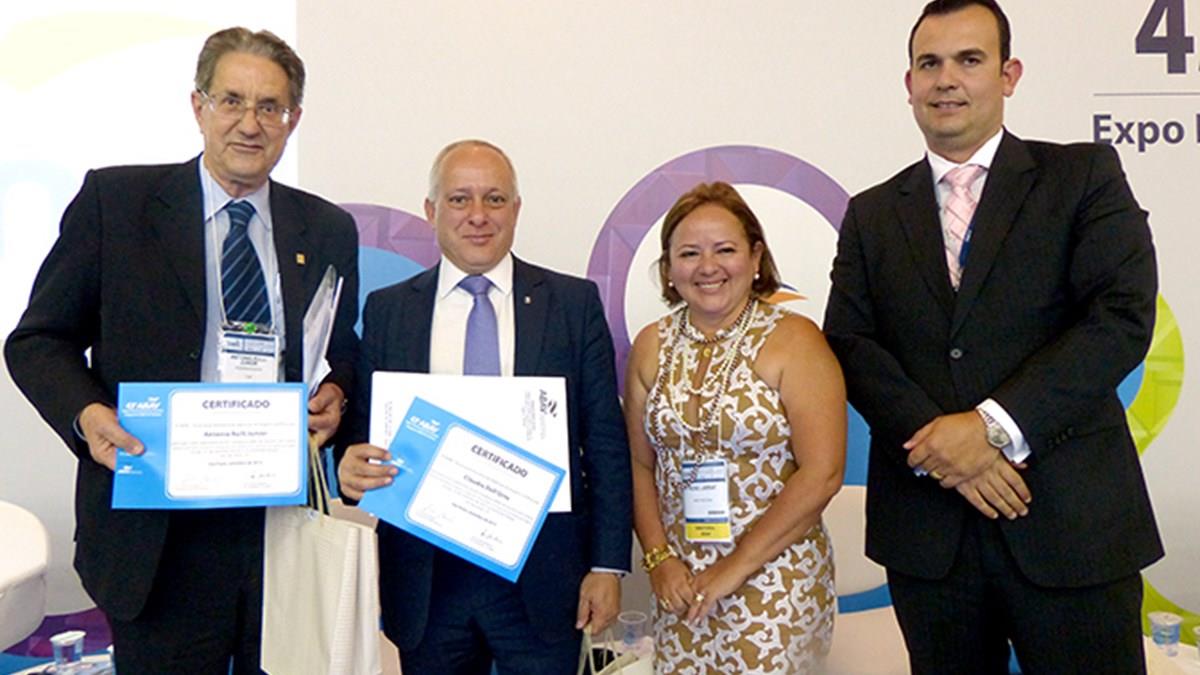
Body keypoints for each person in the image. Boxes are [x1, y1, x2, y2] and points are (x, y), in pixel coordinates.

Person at [4, 27, 359, 674]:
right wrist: (87, 416)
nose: (250, 123)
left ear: (293, 119)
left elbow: (339, 352)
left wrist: (336, 394)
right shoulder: (116, 204)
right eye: (232, 101)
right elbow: (38, 340)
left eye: (270, 107)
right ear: (198, 106)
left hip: (278, 530)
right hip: (158, 538)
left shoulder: (327, 228)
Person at [823, 1, 1162, 672]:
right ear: (909, 84)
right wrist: (944, 448)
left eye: (969, 60)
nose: (946, 79)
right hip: (931, 540)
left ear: (1009, 75)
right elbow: (851, 343)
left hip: (1069, 524)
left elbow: (1120, 317)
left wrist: (991, 428)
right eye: (929, 63)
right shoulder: (871, 213)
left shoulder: (1083, 176)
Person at [336, 139, 632, 675]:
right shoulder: (388, 310)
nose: (478, 215)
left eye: (494, 199)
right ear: (431, 210)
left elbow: (606, 444)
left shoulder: (573, 305)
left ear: (516, 209)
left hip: (544, 582)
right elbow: (361, 437)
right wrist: (350, 469)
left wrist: (608, 565)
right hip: (427, 583)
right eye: (459, 199)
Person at [623, 181, 845, 673]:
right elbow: (639, 464)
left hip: (775, 578)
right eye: (689, 253)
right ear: (668, 268)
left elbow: (823, 473)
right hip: (681, 583)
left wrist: (734, 568)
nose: (708, 267)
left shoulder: (796, 341)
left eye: (725, 250)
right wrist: (658, 560)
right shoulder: (651, 345)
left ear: (756, 256)